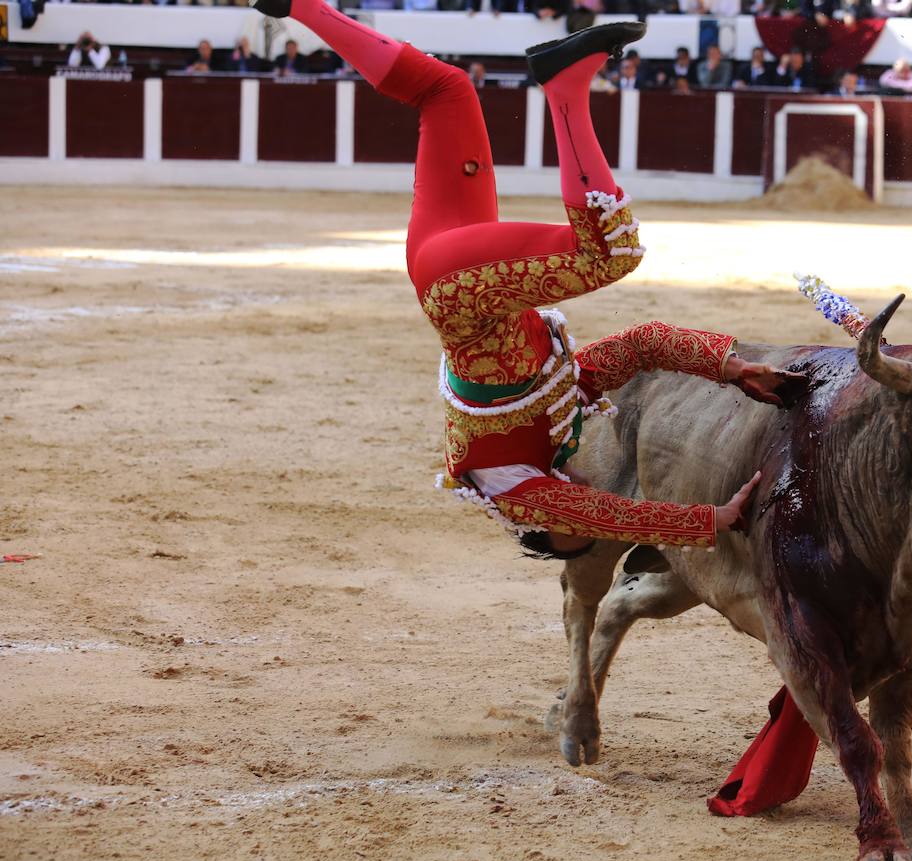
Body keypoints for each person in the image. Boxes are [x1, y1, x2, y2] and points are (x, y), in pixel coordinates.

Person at [246, 3, 805, 556]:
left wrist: (711, 522)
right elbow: (642, 343)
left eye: (573, 538)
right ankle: (299, 5)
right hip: (447, 263)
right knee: (444, 89)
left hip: (461, 293)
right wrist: (730, 367)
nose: (584, 521)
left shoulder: (512, 492)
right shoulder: (559, 413)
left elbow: (609, 514)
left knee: (611, 252)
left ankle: (565, 92)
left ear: (541, 533)